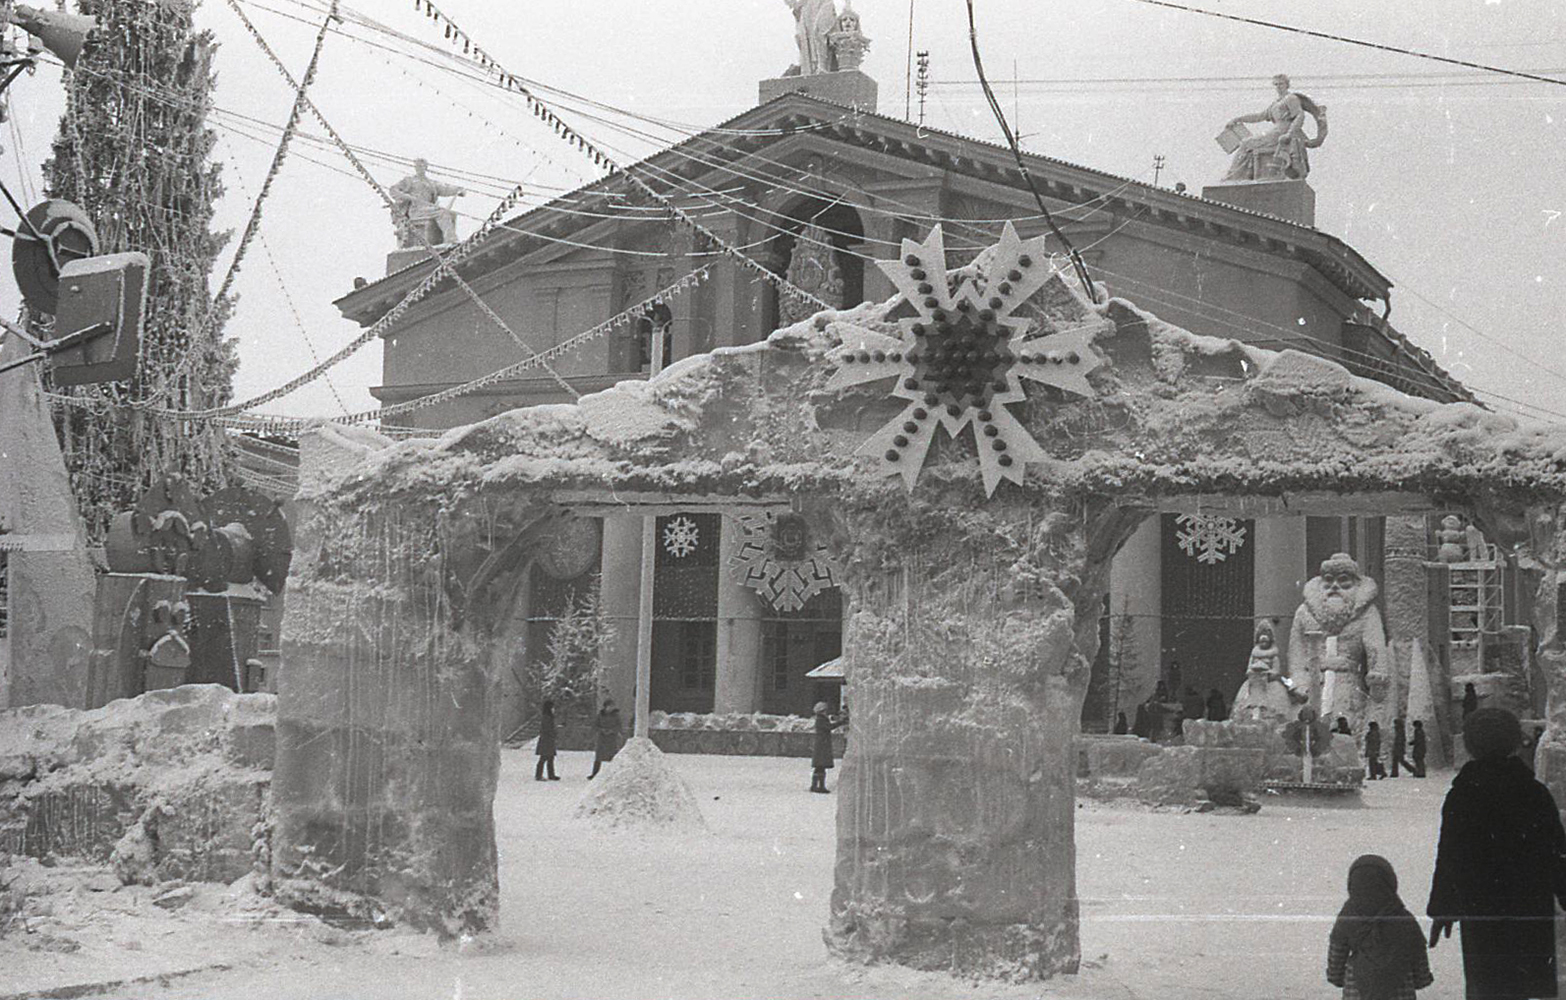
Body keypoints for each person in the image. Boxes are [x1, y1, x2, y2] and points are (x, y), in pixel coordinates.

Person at [1428, 709, 1566, 1000]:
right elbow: (1557, 851)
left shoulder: (1464, 794)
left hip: (1482, 909)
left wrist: (1443, 907)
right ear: (1515, 741)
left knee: (1489, 985)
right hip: (1527, 906)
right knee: (1523, 984)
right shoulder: (1534, 792)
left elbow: (1450, 853)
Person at [1326, 855, 1434, 1000]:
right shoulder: (1402, 917)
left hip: (1358, 988)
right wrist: (1421, 979)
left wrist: (1336, 977)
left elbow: (1337, 952)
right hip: (1399, 989)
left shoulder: (1349, 916)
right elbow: (1417, 952)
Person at [1220, 74, 1327, 182]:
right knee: (1246, 143)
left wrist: (1289, 134)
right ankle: (1241, 175)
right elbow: (1259, 116)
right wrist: (1238, 119)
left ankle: (1234, 176)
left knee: (1246, 143)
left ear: (1287, 85)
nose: (1278, 87)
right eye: (1276, 84)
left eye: (1281, 84)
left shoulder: (1290, 98)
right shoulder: (1275, 103)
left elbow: (1299, 116)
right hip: (1276, 131)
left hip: (1283, 131)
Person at [810, 701, 848, 793]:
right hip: (822, 744)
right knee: (821, 766)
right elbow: (829, 727)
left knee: (819, 766)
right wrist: (841, 722)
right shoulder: (821, 719)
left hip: (821, 743)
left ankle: (814, 785)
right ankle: (820, 786)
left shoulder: (820, 719)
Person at [587, 697, 623, 779]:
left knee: (613, 756)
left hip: (612, 739)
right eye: (609, 706)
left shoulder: (616, 716)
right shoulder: (600, 715)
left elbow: (619, 726)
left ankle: (615, 774)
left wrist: (612, 731)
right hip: (602, 738)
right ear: (605, 707)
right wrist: (601, 730)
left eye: (612, 706)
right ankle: (594, 774)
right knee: (598, 757)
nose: (611, 708)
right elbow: (595, 725)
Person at [535, 698, 559, 781]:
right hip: (546, 740)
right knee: (544, 758)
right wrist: (553, 733)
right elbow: (547, 728)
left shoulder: (549, 717)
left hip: (549, 740)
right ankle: (539, 775)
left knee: (550, 758)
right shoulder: (547, 717)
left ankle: (551, 775)